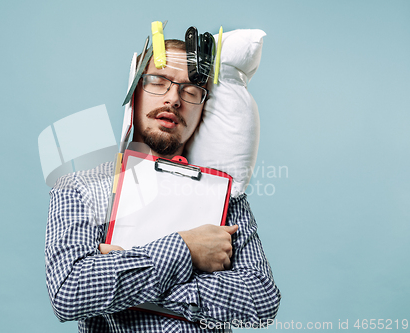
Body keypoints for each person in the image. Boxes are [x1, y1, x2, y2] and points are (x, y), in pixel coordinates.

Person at [45, 39, 281, 332]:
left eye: (191, 90)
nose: (174, 99)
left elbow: (261, 300)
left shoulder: (225, 195)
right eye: (158, 81)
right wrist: (187, 248)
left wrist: (128, 273)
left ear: (203, 109)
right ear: (135, 92)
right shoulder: (81, 185)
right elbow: (71, 292)